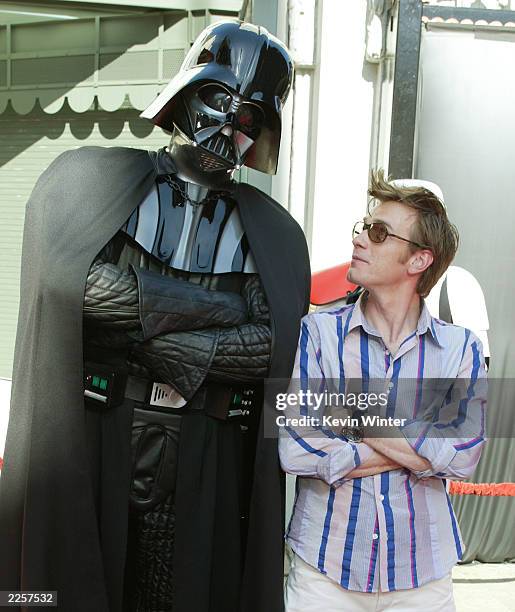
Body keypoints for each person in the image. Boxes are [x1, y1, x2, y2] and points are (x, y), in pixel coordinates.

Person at [0, 21, 310, 612]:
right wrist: (224, 309)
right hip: (96, 433)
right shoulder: (90, 179)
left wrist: (156, 333)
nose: (228, 126)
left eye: (248, 119)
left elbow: (271, 344)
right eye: (218, 100)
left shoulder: (274, 232)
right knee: (74, 586)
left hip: (205, 449)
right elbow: (77, 291)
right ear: (187, 92)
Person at [279, 170, 487, 611]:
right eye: (363, 228)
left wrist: (351, 420)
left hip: (423, 579)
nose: (360, 240)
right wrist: (421, 441)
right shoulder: (317, 334)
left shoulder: (460, 348)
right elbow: (295, 450)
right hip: (324, 573)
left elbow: (465, 453)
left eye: (378, 233)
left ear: (418, 261)